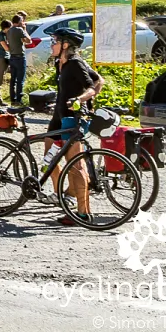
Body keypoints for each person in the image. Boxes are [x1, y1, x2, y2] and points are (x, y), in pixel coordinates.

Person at [48, 26, 103, 225]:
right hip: (59, 116)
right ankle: (64, 193)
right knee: (49, 155)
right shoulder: (59, 62)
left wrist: (81, 101)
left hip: (73, 118)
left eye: (54, 41)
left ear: (65, 45)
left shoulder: (75, 63)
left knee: (76, 165)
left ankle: (82, 212)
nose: (51, 45)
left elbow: (93, 85)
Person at [6, 14, 28, 105]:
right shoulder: (19, 30)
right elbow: (28, 40)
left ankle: (12, 99)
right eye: (22, 21)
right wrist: (24, 29)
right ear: (19, 22)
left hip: (12, 57)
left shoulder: (9, 31)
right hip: (20, 57)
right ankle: (19, 100)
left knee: (13, 79)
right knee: (20, 80)